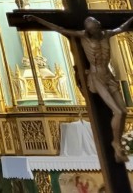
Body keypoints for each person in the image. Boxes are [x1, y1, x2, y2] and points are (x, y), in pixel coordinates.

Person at [24, 13, 133, 162]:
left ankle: (117, 142)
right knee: (118, 112)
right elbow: (60, 29)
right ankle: (116, 143)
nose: (96, 29)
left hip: (109, 75)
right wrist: (37, 19)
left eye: (97, 26)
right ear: (88, 30)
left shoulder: (106, 34)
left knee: (124, 111)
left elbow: (122, 27)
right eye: (93, 28)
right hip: (97, 77)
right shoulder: (83, 36)